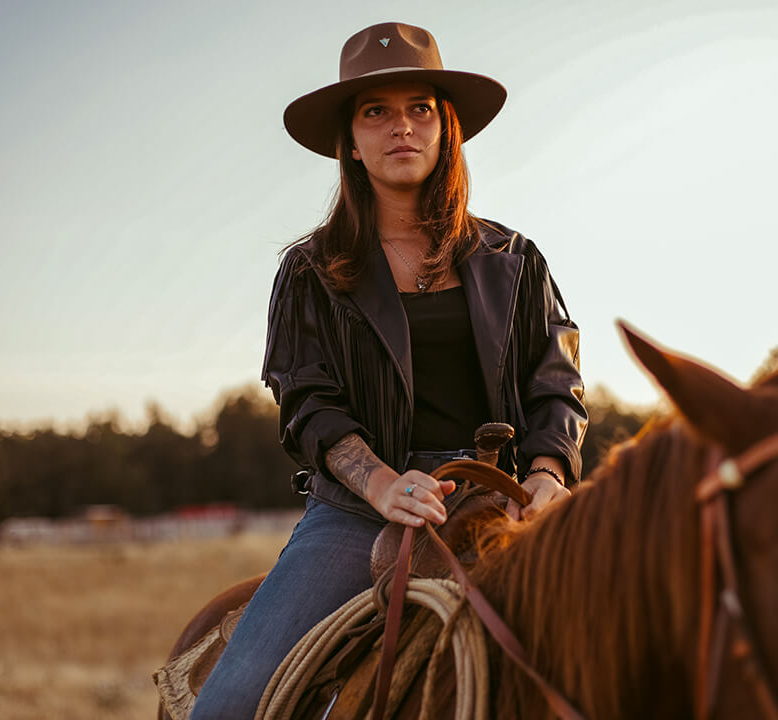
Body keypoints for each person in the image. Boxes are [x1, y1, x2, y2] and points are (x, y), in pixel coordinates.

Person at [192, 22, 587, 719]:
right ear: (349, 140)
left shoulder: (515, 259)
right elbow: (307, 404)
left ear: (446, 128)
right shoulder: (309, 270)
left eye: (419, 109)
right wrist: (379, 483)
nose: (400, 126)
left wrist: (548, 474)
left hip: (506, 504)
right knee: (229, 705)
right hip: (356, 513)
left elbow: (556, 378)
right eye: (376, 111)